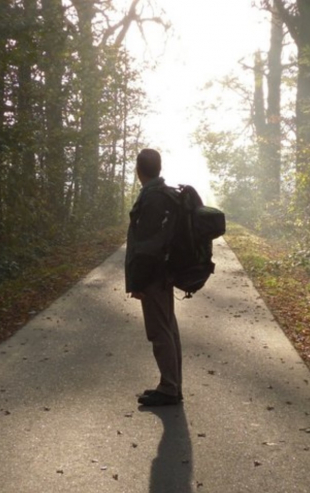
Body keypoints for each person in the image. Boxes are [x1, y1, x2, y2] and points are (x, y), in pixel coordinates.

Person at [125, 149, 183, 406]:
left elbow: (147, 247)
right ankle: (171, 385)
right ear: (158, 168)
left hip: (154, 276)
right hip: (164, 272)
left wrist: (138, 282)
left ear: (139, 170)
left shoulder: (153, 199)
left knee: (160, 332)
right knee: (168, 327)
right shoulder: (162, 194)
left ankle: (169, 388)